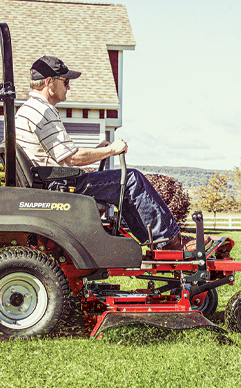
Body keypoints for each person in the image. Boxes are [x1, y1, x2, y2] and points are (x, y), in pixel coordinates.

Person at [15, 55, 211, 252]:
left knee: (121, 186)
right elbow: (71, 158)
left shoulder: (26, 110)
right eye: (65, 82)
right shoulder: (43, 111)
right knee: (132, 179)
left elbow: (61, 154)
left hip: (47, 184)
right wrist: (111, 150)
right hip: (58, 188)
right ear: (49, 82)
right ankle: (171, 243)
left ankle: (159, 241)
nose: (69, 87)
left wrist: (101, 150)